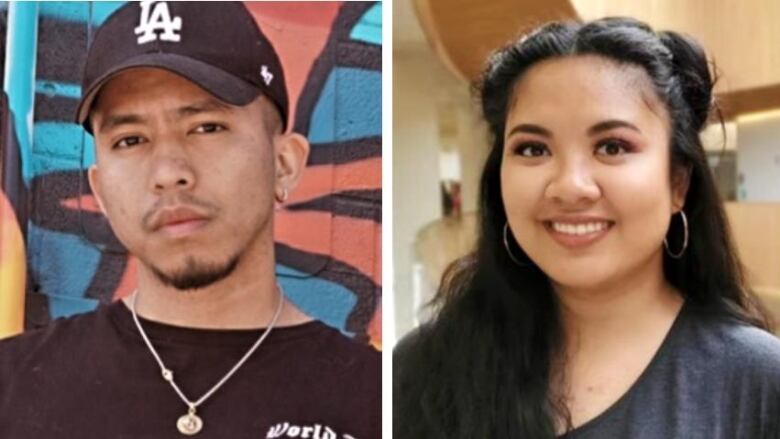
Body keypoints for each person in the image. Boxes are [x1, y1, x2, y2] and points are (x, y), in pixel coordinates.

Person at [0, 2, 380, 438]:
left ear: (284, 164)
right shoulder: (12, 388)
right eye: (131, 139)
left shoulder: (377, 401)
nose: (168, 173)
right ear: (100, 190)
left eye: (206, 128)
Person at [394, 16, 780, 439]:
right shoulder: (423, 368)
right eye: (533, 148)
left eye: (612, 146)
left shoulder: (756, 381)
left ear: (678, 183)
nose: (570, 186)